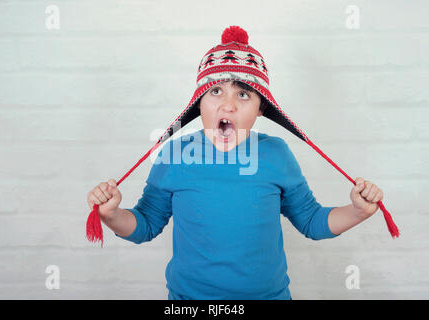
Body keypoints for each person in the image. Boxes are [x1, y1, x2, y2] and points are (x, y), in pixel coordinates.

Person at [86, 27, 384, 300]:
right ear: (199, 102)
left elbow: (311, 221)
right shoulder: (175, 154)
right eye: (216, 91)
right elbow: (146, 225)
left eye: (243, 94)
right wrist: (112, 214)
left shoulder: (276, 154)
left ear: (261, 108)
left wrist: (357, 211)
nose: (228, 105)